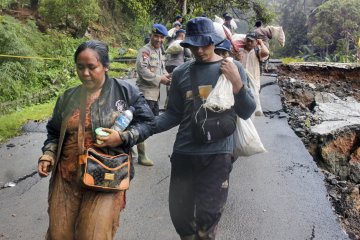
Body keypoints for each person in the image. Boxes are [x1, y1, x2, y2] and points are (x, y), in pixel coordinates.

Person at [37, 40, 155, 239]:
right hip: (66, 178)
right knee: (59, 234)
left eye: (91, 67)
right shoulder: (68, 97)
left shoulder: (126, 92)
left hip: (106, 177)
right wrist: (48, 154)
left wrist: (123, 137)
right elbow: (54, 132)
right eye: (80, 67)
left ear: (105, 66)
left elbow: (148, 123)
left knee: (92, 234)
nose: (85, 73)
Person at [154, 17, 256, 240]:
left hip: (217, 156)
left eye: (205, 44)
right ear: (187, 44)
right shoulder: (181, 72)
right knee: (180, 217)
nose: (199, 50)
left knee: (206, 222)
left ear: (214, 41)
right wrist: (143, 128)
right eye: (194, 45)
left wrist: (237, 82)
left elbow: (247, 111)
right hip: (184, 154)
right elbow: (172, 114)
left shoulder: (233, 67)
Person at [135, 23, 171, 166]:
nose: (159, 39)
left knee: (149, 123)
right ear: (151, 35)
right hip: (145, 93)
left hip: (155, 94)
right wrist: (159, 79)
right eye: (156, 36)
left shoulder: (160, 51)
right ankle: (141, 155)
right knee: (143, 123)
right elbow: (142, 70)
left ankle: (132, 147)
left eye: (162, 37)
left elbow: (161, 70)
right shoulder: (145, 51)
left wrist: (167, 77)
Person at [234, 32, 270, 117]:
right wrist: (236, 57)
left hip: (254, 80)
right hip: (241, 79)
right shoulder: (239, 51)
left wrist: (261, 42)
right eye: (248, 40)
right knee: (242, 98)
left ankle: (251, 116)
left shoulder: (258, 52)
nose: (249, 43)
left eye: (252, 41)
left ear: (255, 42)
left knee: (253, 99)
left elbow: (266, 52)